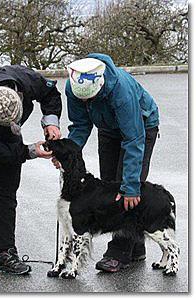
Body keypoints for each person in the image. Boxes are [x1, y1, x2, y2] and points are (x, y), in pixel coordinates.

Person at [0, 65, 62, 281]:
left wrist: (51, 122)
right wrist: (30, 151)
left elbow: (51, 94)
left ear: (20, 96)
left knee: (5, 196)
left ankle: (6, 253)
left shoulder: (27, 80)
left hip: (9, 136)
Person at [64, 53, 160, 273]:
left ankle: (117, 253)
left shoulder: (121, 93)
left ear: (101, 84)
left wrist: (131, 186)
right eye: (83, 100)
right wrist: (68, 156)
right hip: (108, 128)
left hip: (142, 127)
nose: (86, 103)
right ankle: (134, 247)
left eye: (91, 98)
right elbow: (79, 125)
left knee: (123, 192)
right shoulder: (73, 88)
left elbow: (134, 140)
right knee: (108, 186)